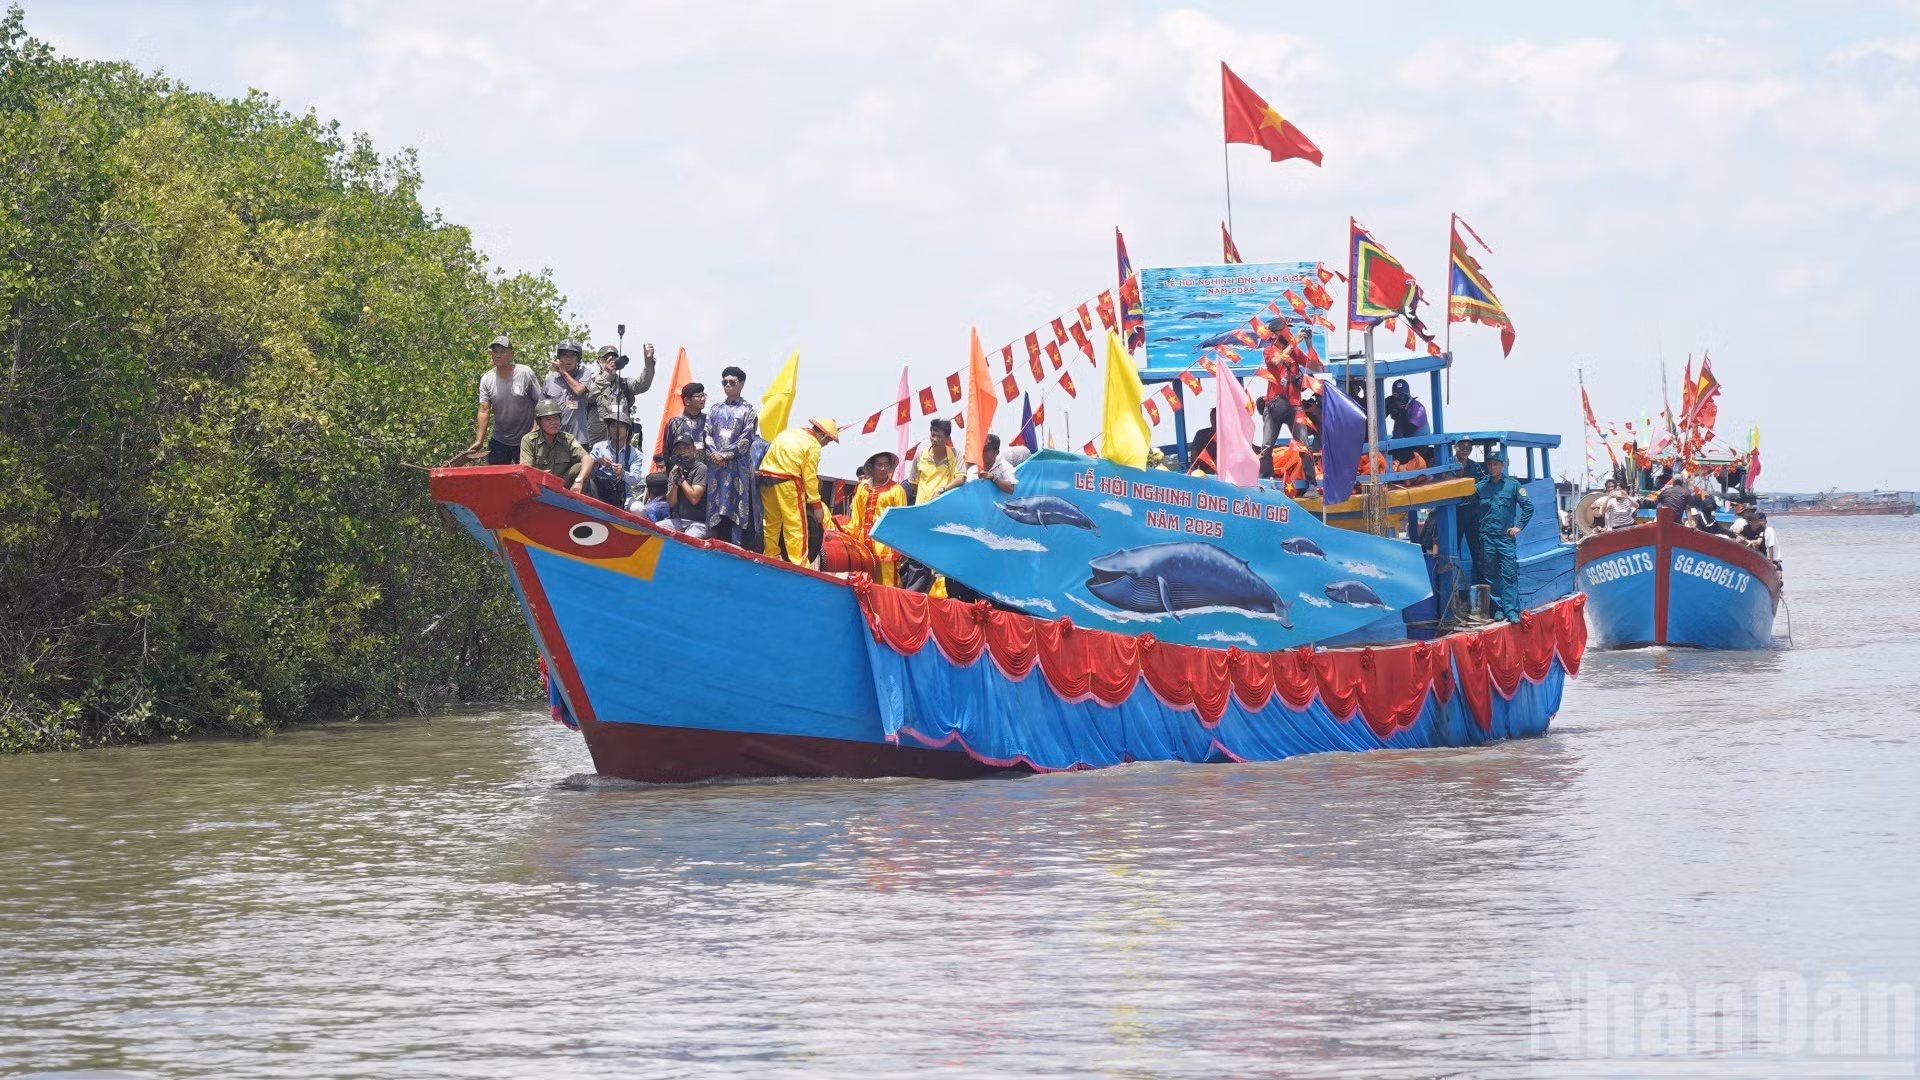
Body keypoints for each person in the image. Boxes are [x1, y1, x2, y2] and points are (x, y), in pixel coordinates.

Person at [758, 418, 838, 565]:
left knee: (771, 523)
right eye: (828, 441)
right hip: (788, 482)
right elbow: (810, 477)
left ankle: (770, 556)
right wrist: (816, 504)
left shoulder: (790, 432)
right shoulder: (813, 445)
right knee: (796, 526)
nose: (826, 444)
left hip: (766, 477)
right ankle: (800, 564)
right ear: (823, 435)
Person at [703, 366, 759, 546]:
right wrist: (714, 453)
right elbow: (706, 433)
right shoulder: (715, 409)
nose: (728, 386)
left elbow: (746, 438)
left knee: (735, 509)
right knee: (714, 509)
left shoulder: (749, 410)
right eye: (724, 382)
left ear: (741, 384)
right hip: (716, 467)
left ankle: (736, 547)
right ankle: (711, 543)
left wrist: (725, 456)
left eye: (732, 382)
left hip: (736, 468)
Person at [1473, 453, 1533, 621]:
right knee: (1490, 574)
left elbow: (1528, 506)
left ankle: (1511, 610)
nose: (1492, 467)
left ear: (1503, 465)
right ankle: (1498, 608)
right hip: (1487, 537)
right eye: (1490, 464)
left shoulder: (1512, 485)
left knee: (1509, 573)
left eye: (1496, 464)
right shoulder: (1480, 487)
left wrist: (1519, 527)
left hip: (1505, 538)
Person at [468, 335, 540, 464]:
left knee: (526, 479)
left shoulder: (525, 373)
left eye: (502, 352)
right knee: (495, 480)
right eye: (495, 352)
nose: (498, 355)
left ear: (511, 354)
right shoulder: (487, 379)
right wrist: (479, 440)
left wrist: (535, 429)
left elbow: (538, 402)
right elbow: (484, 411)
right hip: (500, 438)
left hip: (526, 439)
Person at [848, 451, 908, 586]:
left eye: (886, 465)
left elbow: (901, 521)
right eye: (879, 465)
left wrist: (900, 547)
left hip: (886, 547)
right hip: (863, 546)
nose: (883, 468)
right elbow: (856, 517)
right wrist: (850, 539)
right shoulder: (862, 488)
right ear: (872, 467)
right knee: (862, 583)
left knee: (888, 587)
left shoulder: (896, 490)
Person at [587, 343, 656, 446]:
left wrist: (649, 362)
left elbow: (643, 385)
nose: (610, 361)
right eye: (606, 358)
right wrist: (607, 375)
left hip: (620, 446)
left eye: (613, 358)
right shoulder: (589, 382)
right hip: (596, 446)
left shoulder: (625, 384)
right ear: (598, 361)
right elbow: (588, 395)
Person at [520, 399, 591, 494]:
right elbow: (525, 469)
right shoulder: (529, 440)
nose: (553, 422)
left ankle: (577, 502)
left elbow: (588, 459)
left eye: (556, 418)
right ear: (539, 422)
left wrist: (579, 480)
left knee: (581, 467)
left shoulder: (567, 438)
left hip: (562, 484)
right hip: (539, 484)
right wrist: (539, 475)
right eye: (548, 419)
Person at [587, 407, 645, 509]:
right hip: (598, 493)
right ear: (608, 428)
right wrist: (596, 462)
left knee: (638, 509)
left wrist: (623, 473)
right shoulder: (598, 447)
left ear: (627, 430)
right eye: (613, 426)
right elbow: (585, 466)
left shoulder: (635, 454)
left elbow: (635, 479)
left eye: (621, 426)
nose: (616, 429)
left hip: (622, 497)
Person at [1453, 438, 1489, 585]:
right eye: (1462, 446)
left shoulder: (1475, 466)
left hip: (1472, 513)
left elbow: (1482, 485)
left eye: (1469, 447)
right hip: (1454, 513)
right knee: (1451, 549)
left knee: (1477, 551)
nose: (1465, 449)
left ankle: (1480, 588)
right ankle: (1451, 589)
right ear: (1455, 447)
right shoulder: (1449, 464)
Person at [543, 340, 593, 444]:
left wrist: (563, 372)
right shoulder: (550, 379)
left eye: (572, 355)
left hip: (579, 440)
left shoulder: (585, 374)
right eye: (564, 355)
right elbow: (542, 409)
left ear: (578, 359)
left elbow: (579, 390)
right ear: (559, 358)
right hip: (555, 440)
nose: (568, 359)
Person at [661, 433, 710, 538]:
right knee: (655, 529)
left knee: (686, 540)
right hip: (679, 521)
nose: (682, 451)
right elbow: (671, 503)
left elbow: (694, 498)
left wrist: (681, 479)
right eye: (679, 449)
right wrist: (675, 483)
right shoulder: (674, 470)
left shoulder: (701, 469)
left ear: (694, 449)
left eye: (686, 448)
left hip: (699, 523)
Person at [914, 418, 964, 503]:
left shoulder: (956, 454)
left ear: (948, 438)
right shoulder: (920, 455)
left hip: (945, 505)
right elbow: (913, 484)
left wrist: (942, 490)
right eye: (933, 435)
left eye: (939, 437)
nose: (934, 439)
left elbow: (961, 478)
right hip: (923, 508)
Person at [1384, 378, 1430, 466]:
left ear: (1408, 395)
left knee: (1388, 455)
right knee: (1381, 451)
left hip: (1417, 446)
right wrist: (1386, 405)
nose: (1400, 399)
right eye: (1397, 396)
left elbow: (1407, 432)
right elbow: (1377, 420)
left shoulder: (1418, 408)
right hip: (1400, 444)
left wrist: (1403, 412)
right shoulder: (1393, 404)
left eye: (1403, 396)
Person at [664, 382, 707, 458]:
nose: (703, 399)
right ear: (687, 400)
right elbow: (668, 452)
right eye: (699, 396)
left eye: (703, 395)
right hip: (682, 468)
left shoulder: (708, 420)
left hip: (706, 468)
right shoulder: (675, 423)